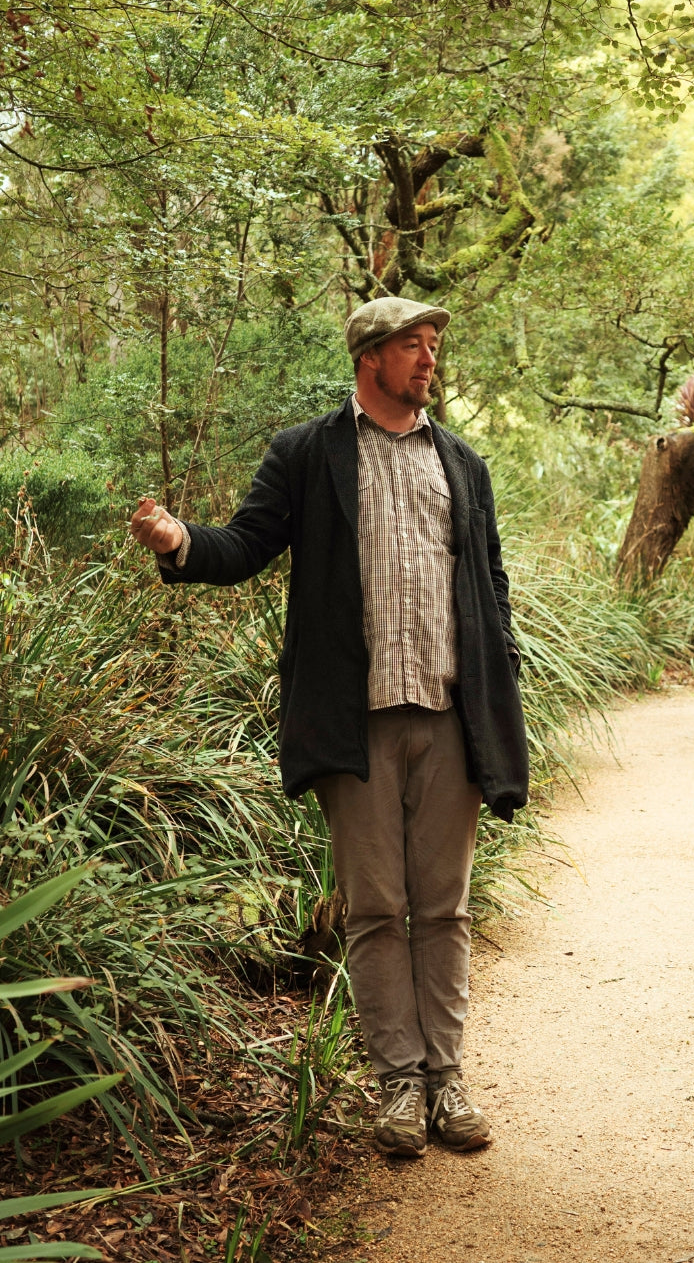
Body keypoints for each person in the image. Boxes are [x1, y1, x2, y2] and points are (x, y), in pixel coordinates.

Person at [130, 296, 529, 1159]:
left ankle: (445, 1079)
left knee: (447, 908)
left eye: (431, 346)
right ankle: (395, 1083)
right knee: (379, 908)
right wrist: (176, 542)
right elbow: (243, 545)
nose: (427, 360)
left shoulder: (461, 461)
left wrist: (502, 675)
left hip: (454, 716)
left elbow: (488, 581)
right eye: (409, 347)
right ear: (368, 358)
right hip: (355, 723)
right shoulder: (309, 455)